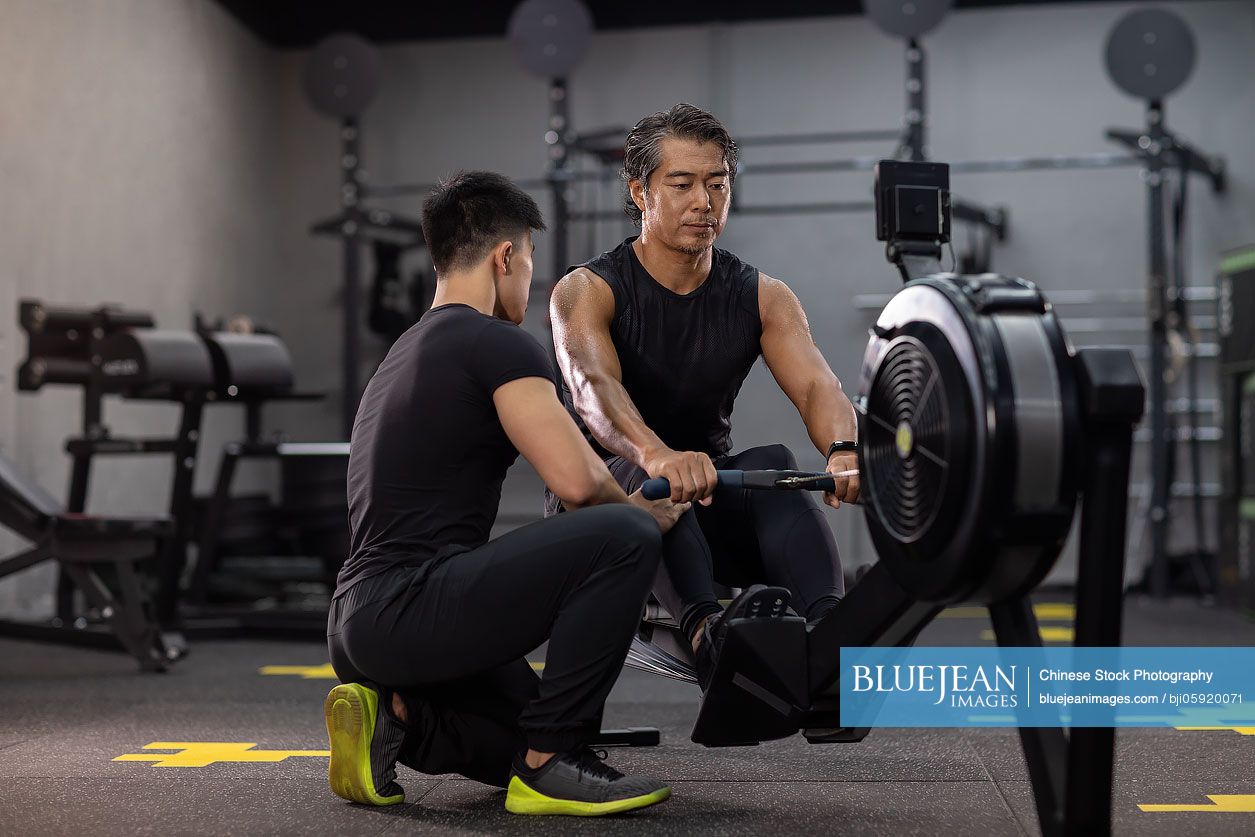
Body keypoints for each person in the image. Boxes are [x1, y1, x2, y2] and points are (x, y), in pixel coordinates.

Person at [324, 171, 688, 816]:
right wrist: (644, 512)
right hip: (414, 603)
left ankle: (398, 715)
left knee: (517, 738)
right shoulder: (494, 343)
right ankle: (553, 766)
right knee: (623, 534)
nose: (530, 284)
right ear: (506, 256)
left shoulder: (404, 353)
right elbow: (579, 485)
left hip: (358, 622)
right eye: (529, 264)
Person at [546, 104, 862, 688]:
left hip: (708, 497)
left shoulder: (764, 295)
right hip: (605, 502)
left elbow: (819, 384)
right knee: (651, 483)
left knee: (774, 466)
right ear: (640, 193)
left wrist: (844, 450)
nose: (704, 202)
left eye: (717, 185)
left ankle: (830, 644)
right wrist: (656, 455)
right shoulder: (588, 289)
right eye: (683, 184)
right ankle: (708, 639)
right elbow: (593, 389)